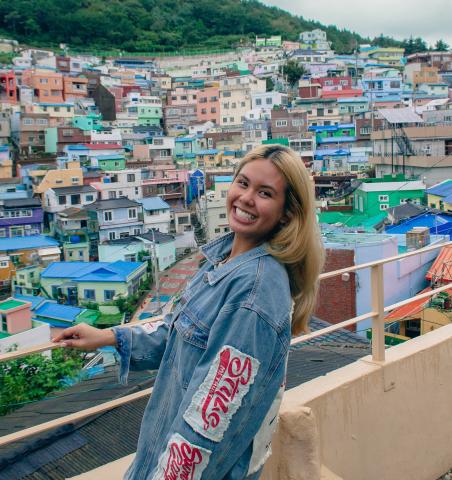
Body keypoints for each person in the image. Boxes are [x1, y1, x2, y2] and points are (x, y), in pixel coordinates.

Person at [53, 144, 325, 479]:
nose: (246, 198)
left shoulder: (254, 292)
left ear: (286, 212)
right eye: (243, 183)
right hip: (155, 455)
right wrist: (109, 337)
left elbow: (211, 418)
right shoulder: (225, 259)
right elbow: (178, 334)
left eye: (265, 193)